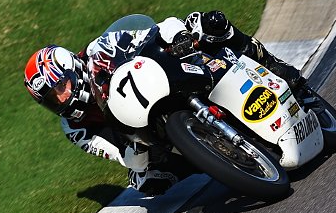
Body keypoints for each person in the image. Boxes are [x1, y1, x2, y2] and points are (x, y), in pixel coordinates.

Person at [23, 10, 308, 195]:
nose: (61, 99)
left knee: (207, 23)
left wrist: (178, 37)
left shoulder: (101, 49)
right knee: (145, 182)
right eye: (51, 99)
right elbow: (119, 156)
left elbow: (154, 31)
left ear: (72, 67)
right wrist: (135, 150)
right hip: (143, 133)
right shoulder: (74, 128)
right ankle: (216, 157)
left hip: (166, 77)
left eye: (60, 87)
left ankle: (270, 63)